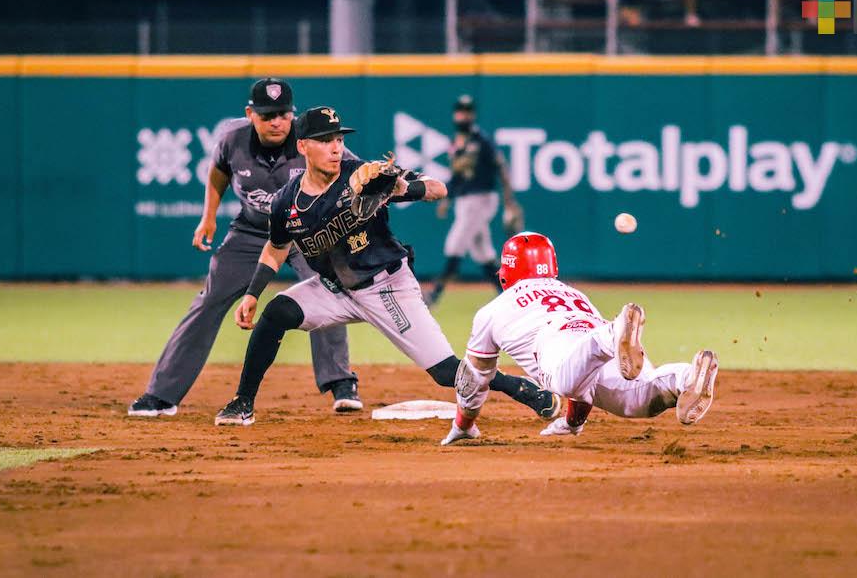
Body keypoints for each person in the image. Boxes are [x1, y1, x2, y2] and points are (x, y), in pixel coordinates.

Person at [213, 106, 561, 426]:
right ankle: (242, 402)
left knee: (444, 371)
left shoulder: (363, 176)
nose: (335, 148)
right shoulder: (286, 200)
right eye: (325, 141)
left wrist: (398, 185)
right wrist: (252, 295)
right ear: (303, 146)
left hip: (386, 286)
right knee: (277, 313)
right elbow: (276, 248)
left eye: (338, 139)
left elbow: (437, 189)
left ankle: (521, 388)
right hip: (336, 290)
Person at [128, 79, 361, 418]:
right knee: (209, 300)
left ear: (292, 114)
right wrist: (208, 217)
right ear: (250, 114)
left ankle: (341, 382)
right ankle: (162, 394)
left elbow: (358, 172)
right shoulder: (231, 141)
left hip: (307, 233)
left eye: (283, 114)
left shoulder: (311, 139)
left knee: (326, 287)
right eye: (267, 115)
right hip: (251, 231)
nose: (277, 122)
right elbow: (218, 172)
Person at [440, 232, 719, 446]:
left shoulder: (493, 310)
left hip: (559, 338)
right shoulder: (574, 294)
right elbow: (583, 379)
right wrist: (571, 423)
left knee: (562, 380)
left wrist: (464, 425)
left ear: (507, 271)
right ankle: (686, 378)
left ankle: (614, 333)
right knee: (639, 400)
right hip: (591, 332)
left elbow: (473, 377)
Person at [427, 95, 522, 306]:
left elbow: (502, 169)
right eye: (460, 111)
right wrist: (446, 199)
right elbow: (457, 176)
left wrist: (510, 202)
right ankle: (508, 294)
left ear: (473, 115)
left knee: (455, 244)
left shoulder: (482, 141)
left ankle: (435, 293)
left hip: (482, 199)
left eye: (467, 111)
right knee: (483, 252)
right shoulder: (456, 143)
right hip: (464, 201)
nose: (462, 115)